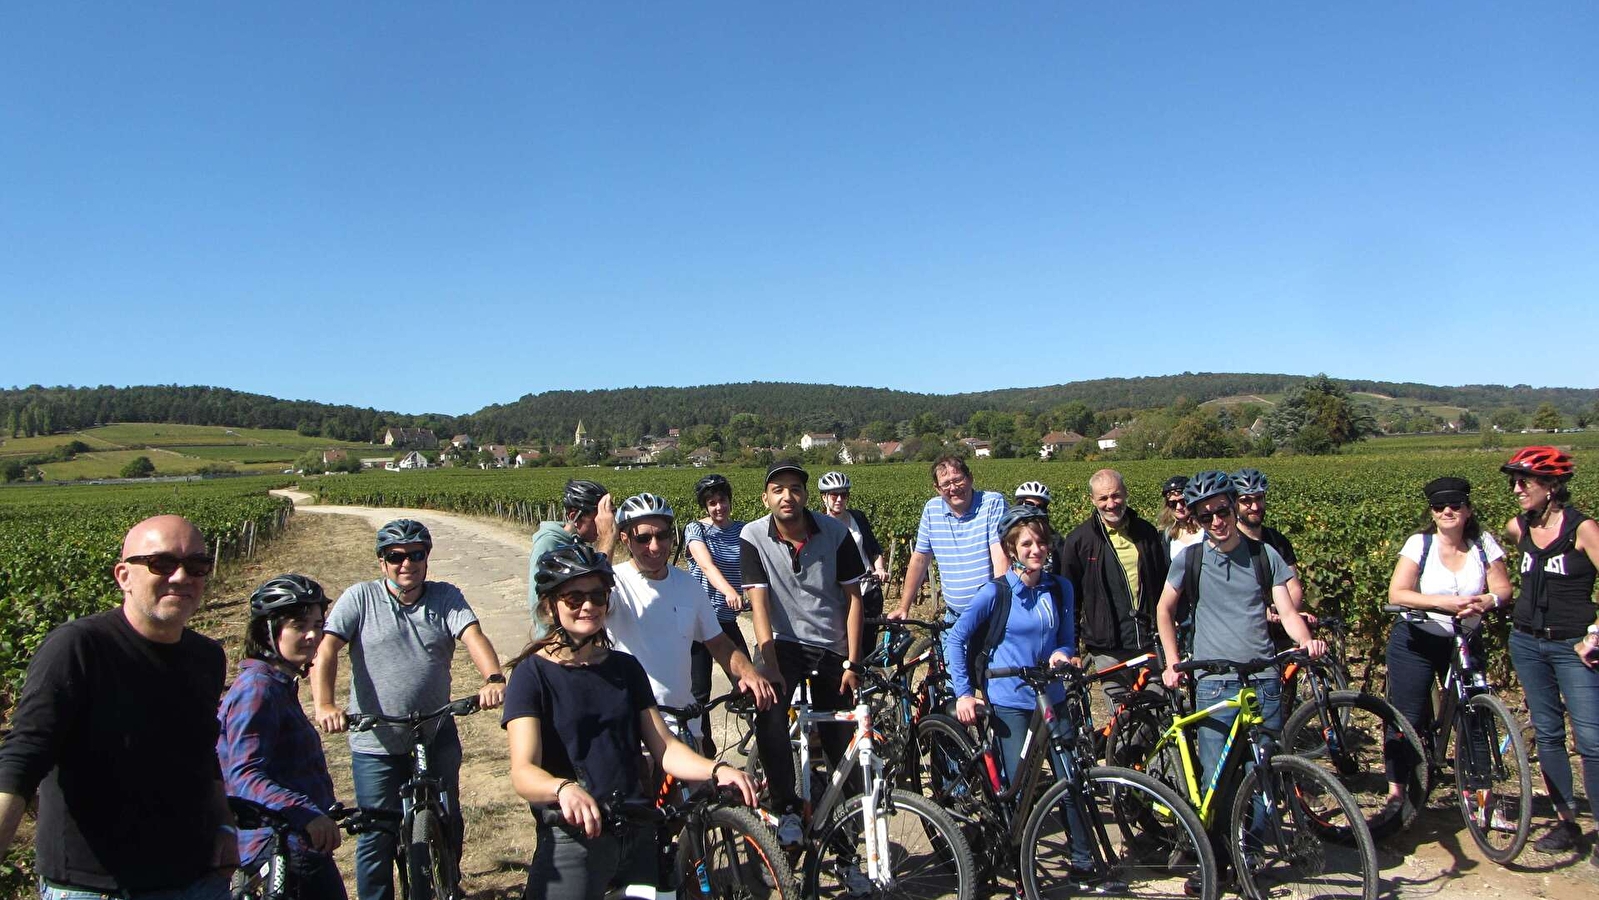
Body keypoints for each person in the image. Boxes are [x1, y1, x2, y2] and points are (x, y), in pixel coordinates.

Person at [0, 515, 237, 899]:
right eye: (161, 563)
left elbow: (202, 753)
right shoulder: (79, 647)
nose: (181, 576)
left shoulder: (206, 656)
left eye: (196, 565)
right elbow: (24, 755)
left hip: (196, 878)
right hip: (98, 886)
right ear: (124, 576)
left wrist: (224, 827)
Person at [506, 544, 760, 900]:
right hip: (574, 837)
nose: (589, 606)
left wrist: (716, 770)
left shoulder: (624, 668)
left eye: (598, 595)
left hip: (636, 831)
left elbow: (666, 748)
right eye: (574, 598)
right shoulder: (532, 675)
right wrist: (563, 789)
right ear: (550, 605)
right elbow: (523, 771)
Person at [311, 519, 507, 900]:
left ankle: (449, 880)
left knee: (448, 814)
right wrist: (325, 704)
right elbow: (327, 649)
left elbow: (472, 636)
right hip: (376, 739)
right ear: (382, 562)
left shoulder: (444, 596)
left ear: (426, 558)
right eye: (395, 556)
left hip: (435, 729)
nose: (407, 564)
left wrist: (494, 679)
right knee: (375, 837)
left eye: (416, 555)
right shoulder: (360, 598)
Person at [945, 505, 1110, 887]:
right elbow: (957, 639)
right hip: (1011, 700)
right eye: (1027, 543)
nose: (1037, 549)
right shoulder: (997, 592)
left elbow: (1068, 638)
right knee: (1018, 791)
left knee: (1072, 780)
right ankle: (1021, 868)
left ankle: (1083, 861)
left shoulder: (1059, 587)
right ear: (1012, 548)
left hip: (1050, 695)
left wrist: (1063, 653)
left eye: (1041, 541)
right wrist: (965, 693)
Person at [1156, 471, 1325, 786]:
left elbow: (1288, 612)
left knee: (1264, 775)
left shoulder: (1264, 555)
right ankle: (1215, 836)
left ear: (1234, 508)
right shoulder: (1190, 559)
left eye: (1222, 512)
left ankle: (1255, 836)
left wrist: (1305, 641)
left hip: (1263, 680)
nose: (1216, 522)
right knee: (1215, 778)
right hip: (1213, 683)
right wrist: (1171, 662)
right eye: (1206, 517)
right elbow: (1164, 609)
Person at [741, 461, 867, 847]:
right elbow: (758, 605)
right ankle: (787, 807)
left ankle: (850, 822)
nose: (787, 496)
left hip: (830, 643)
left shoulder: (835, 533)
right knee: (768, 714)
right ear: (766, 498)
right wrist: (771, 669)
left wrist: (853, 663)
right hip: (783, 642)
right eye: (778, 489)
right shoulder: (752, 536)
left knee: (841, 737)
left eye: (795, 488)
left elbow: (853, 599)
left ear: (806, 496)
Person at [604, 492, 775, 756]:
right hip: (633, 724)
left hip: (684, 723)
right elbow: (589, 598)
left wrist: (748, 673)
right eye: (643, 538)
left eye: (662, 535)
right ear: (624, 539)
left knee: (694, 795)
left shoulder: (687, 584)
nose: (655, 546)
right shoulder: (613, 584)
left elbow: (717, 642)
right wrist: (606, 537)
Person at [1382, 477, 1513, 822]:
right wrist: (1443, 603)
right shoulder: (1419, 544)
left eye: (1455, 505)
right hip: (1418, 639)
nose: (1447, 512)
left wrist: (1485, 600)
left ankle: (1481, 796)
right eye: (1440, 507)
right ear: (1432, 513)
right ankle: (1397, 794)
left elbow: (1503, 589)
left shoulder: (1484, 544)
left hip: (1465, 640)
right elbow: (1398, 593)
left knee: (1476, 717)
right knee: (1405, 717)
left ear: (1468, 510)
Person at [218, 575, 345, 900]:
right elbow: (244, 775)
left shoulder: (277, 684)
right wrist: (305, 812)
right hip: (279, 849)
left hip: (294, 842)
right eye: (299, 625)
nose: (312, 635)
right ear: (269, 631)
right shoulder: (258, 690)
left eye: (318, 624)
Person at [1499, 446, 1599, 860]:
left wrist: (1595, 632)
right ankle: (1566, 822)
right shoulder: (1517, 528)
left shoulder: (1583, 529)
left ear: (1552, 485)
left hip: (1571, 645)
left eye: (1525, 481)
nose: (1517, 489)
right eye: (1514, 482)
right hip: (1527, 642)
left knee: (1592, 740)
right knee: (1549, 734)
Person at [1060, 469, 1169, 705]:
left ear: (1126, 493)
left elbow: (1162, 586)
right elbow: (1071, 600)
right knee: (1121, 719)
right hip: (1107, 647)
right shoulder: (1079, 541)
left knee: (1155, 713)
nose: (1111, 504)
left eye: (1116, 495)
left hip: (1147, 642)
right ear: (1092, 500)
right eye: (1103, 498)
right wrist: (1073, 649)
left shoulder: (1146, 533)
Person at [889, 454, 1007, 655]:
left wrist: (1002, 607)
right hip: (954, 615)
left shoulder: (992, 503)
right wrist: (903, 606)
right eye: (946, 484)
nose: (953, 488)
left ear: (970, 478)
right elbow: (920, 559)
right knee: (954, 678)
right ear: (937, 488)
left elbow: (1000, 556)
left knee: (991, 677)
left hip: (989, 614)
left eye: (958, 479)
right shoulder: (932, 510)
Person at [684, 473, 754, 746]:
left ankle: (761, 741)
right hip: (698, 621)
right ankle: (702, 747)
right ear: (705, 507)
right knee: (699, 692)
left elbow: (755, 570)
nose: (718, 507)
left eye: (722, 500)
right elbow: (706, 565)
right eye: (711, 503)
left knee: (748, 682)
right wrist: (729, 591)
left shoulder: (743, 531)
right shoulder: (695, 530)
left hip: (725, 620)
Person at [819, 471, 892, 652]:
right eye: (834, 495)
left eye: (844, 495)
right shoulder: (819, 525)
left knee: (866, 647)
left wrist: (880, 568)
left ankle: (866, 679)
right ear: (824, 498)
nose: (839, 499)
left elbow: (873, 548)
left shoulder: (857, 518)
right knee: (843, 649)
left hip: (867, 592)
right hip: (839, 598)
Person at [527, 479, 617, 623]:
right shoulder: (550, 544)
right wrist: (607, 537)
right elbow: (540, 605)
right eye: (597, 518)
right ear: (574, 517)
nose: (603, 523)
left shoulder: (580, 544)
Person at [1231, 469, 1307, 614]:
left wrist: (1285, 614)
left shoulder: (1277, 540)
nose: (1255, 507)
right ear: (1234, 504)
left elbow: (1293, 587)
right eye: (1246, 501)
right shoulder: (1230, 543)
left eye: (1259, 498)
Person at [1014, 480, 1070, 576]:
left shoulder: (1055, 539)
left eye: (1040, 506)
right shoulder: (1008, 534)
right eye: (1030, 504)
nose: (1035, 509)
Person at [1156, 475, 1202, 556]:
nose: (1179, 507)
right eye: (1173, 503)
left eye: (1183, 502)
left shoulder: (1205, 528)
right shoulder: (1167, 534)